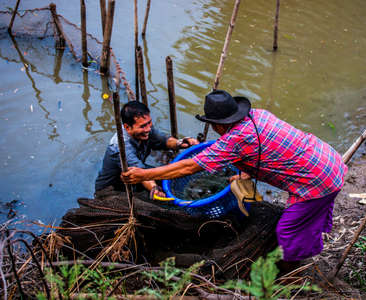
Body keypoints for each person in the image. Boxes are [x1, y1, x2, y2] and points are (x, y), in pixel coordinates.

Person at [121, 90, 347, 263]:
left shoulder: (234, 140)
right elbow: (267, 148)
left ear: (217, 125)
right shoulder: (258, 115)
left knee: (286, 230)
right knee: (306, 219)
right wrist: (244, 170)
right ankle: (308, 244)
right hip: (327, 158)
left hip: (317, 182)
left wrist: (145, 173)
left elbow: (188, 167)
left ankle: (293, 272)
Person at [95, 101, 198, 196]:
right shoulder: (120, 147)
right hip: (113, 190)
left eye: (149, 123)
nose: (148, 129)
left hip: (137, 177)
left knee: (171, 175)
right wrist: (154, 188)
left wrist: (180, 143)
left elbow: (163, 140)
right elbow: (139, 173)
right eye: (143, 126)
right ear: (127, 127)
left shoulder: (146, 130)